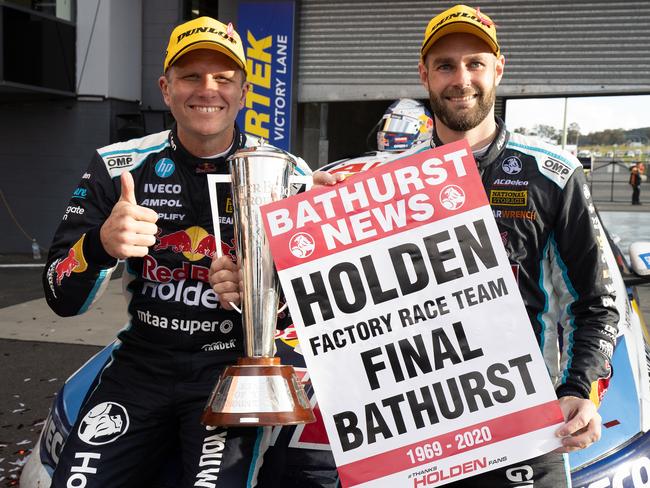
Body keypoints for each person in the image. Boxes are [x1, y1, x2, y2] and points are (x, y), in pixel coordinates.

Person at [313, 4, 619, 487]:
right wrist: (314, 221)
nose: (462, 78)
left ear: (498, 68)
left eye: (475, 62)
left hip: (526, 427)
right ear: (424, 75)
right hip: (409, 430)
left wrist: (582, 387)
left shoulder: (553, 173)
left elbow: (598, 303)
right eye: (445, 65)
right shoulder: (381, 182)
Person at [43, 16, 309, 488]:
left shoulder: (288, 175)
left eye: (223, 78)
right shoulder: (118, 165)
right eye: (190, 76)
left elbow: (314, 302)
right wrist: (101, 245)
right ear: (166, 88)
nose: (207, 90)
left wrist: (262, 293)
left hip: (229, 368)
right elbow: (59, 295)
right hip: (141, 365)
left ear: (243, 92)